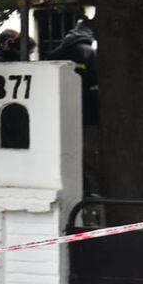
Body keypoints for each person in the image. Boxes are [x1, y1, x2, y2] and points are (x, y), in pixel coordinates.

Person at [47, 17, 100, 192]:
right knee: (91, 160)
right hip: (89, 117)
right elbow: (96, 85)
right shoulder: (90, 53)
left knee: (66, 160)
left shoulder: (56, 53)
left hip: (61, 116)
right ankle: (92, 200)